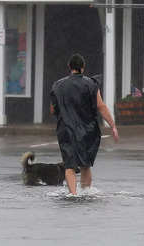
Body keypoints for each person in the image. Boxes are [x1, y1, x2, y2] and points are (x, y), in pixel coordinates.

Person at [49, 53, 119, 195]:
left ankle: (73, 195)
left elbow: (52, 109)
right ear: (83, 67)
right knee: (85, 164)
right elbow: (101, 106)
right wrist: (113, 126)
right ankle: (86, 193)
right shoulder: (91, 84)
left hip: (66, 129)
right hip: (87, 130)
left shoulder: (58, 85)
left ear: (69, 67)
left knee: (69, 165)